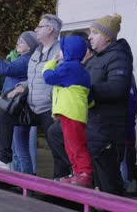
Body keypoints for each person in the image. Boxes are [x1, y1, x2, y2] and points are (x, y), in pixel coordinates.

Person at [0, 14, 68, 179]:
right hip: (33, 105)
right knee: (5, 112)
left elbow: (59, 76)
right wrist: (21, 87)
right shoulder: (37, 52)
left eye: (40, 26)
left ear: (50, 29)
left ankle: (62, 180)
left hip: (49, 107)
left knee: (56, 146)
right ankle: (4, 159)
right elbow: (34, 77)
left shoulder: (60, 51)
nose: (36, 29)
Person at [0, 31, 39, 174]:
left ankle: (26, 180)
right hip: (15, 105)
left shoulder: (26, 60)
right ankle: (22, 179)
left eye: (22, 41)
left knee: (20, 150)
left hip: (18, 108)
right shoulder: (22, 58)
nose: (18, 43)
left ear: (30, 46)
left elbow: (5, 69)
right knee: (19, 149)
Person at [85, 13, 133, 196]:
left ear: (106, 36)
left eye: (94, 33)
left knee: (110, 184)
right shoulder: (96, 58)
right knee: (100, 183)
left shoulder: (118, 57)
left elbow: (118, 88)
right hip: (95, 128)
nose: (89, 37)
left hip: (108, 131)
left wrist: (87, 90)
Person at [42, 35, 93, 188]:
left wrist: (51, 62)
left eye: (62, 50)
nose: (60, 52)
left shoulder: (68, 67)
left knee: (75, 145)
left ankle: (85, 173)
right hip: (73, 113)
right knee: (71, 145)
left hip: (71, 113)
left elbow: (48, 77)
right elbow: (88, 96)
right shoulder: (80, 70)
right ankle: (78, 173)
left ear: (68, 52)